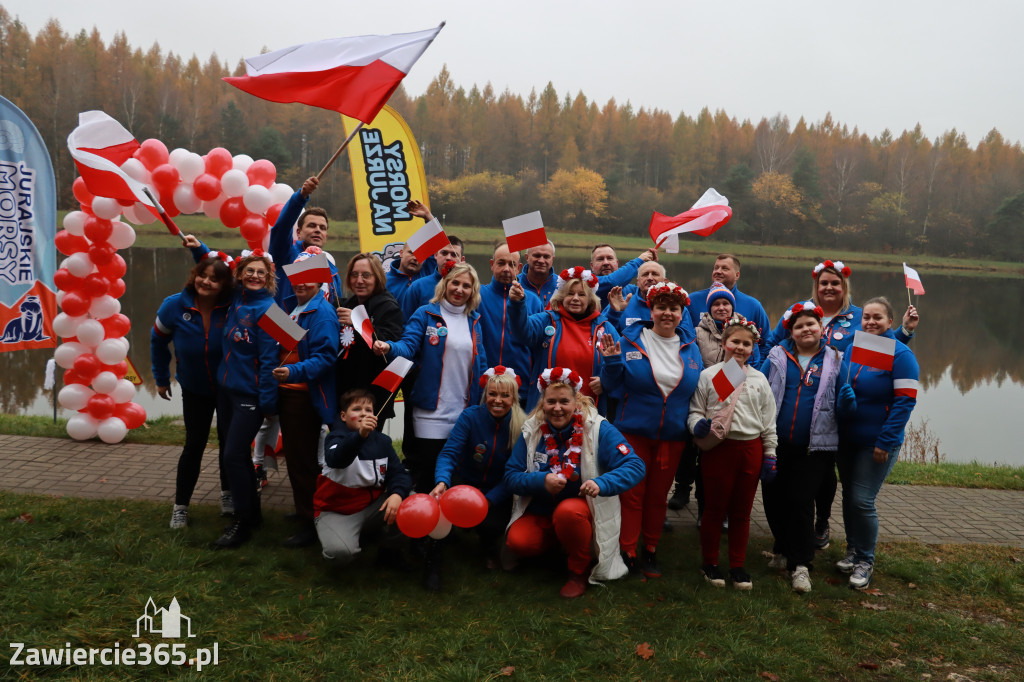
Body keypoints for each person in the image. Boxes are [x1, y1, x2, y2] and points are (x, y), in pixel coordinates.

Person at [763, 259, 919, 550]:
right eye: (824, 283)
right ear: (816, 285)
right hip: (805, 411)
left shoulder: (861, 317)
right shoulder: (799, 311)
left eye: (835, 283)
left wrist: (905, 334)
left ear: (844, 285)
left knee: (829, 479)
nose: (829, 287)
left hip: (842, 415)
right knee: (815, 474)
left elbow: (885, 353)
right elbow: (774, 343)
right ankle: (801, 534)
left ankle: (822, 523)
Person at [504, 367, 645, 598]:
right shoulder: (533, 429)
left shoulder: (597, 428)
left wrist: (602, 483)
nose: (557, 408)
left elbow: (635, 465)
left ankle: (578, 571)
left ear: (576, 401)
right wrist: (541, 481)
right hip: (541, 510)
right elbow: (511, 475)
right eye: (551, 401)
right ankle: (559, 549)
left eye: (564, 401)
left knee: (568, 512)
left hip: (579, 511)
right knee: (519, 542)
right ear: (542, 403)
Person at [599, 282, 703, 577]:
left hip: (672, 437)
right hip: (633, 432)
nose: (667, 313)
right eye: (661, 307)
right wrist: (609, 362)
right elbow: (610, 385)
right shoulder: (631, 340)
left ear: (682, 313)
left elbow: (697, 389)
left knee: (658, 496)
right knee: (632, 494)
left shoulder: (691, 346)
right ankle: (628, 551)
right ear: (651, 309)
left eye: (674, 308)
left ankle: (651, 549)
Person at [182, 237, 280, 549]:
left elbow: (269, 361)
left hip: (249, 398)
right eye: (249, 271)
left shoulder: (271, 310)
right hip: (226, 392)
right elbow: (216, 264)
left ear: (269, 278)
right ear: (239, 276)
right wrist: (197, 249)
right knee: (233, 455)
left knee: (234, 455)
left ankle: (243, 522)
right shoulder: (237, 297)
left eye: (260, 273)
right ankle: (253, 514)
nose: (254, 276)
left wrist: (267, 402)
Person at [373, 262, 488, 493]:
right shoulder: (425, 313)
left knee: (454, 474)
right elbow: (408, 345)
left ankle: (448, 524)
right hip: (430, 412)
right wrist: (389, 347)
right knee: (427, 474)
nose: (459, 289)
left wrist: (489, 383)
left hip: (463, 412)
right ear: (445, 283)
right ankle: (420, 525)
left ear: (473, 291)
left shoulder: (473, 320)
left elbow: (481, 361)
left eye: (467, 285)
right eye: (455, 282)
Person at [835, 296, 919, 590]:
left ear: (889, 322)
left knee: (862, 500)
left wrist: (886, 440)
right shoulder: (855, 347)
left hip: (878, 442)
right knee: (848, 496)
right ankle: (852, 549)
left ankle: (865, 560)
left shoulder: (902, 356)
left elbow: (905, 403)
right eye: (866, 317)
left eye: (877, 318)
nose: (870, 322)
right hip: (847, 439)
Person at [688, 314, 777, 589]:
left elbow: (768, 420)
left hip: (750, 449)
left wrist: (770, 454)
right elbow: (695, 411)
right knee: (714, 508)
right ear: (724, 342)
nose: (740, 347)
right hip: (718, 449)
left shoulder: (760, 379)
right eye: (735, 341)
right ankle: (710, 563)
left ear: (753, 348)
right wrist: (696, 426)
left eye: (746, 344)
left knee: (742, 511)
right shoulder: (708, 375)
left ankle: (737, 565)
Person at [759, 302, 842, 594]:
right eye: (799, 326)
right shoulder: (776, 357)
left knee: (801, 504)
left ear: (822, 328)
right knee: (773, 500)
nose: (806, 329)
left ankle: (801, 565)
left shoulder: (836, 359)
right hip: (775, 444)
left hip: (815, 448)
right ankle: (781, 549)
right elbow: (756, 383)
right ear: (790, 332)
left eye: (811, 324)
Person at [152, 252, 234, 529]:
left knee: (229, 445)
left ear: (224, 284)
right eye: (203, 275)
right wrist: (161, 377)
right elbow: (158, 342)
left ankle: (228, 496)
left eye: (215, 279)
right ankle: (180, 508)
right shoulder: (174, 305)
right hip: (194, 388)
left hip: (229, 389)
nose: (206, 282)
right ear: (194, 275)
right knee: (194, 446)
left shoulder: (234, 304)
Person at [427, 367, 527, 589]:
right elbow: (449, 453)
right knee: (440, 509)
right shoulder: (470, 416)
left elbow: (514, 473)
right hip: (465, 481)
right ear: (485, 395)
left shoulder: (522, 425)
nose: (497, 400)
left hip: (496, 490)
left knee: (492, 523)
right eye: (492, 394)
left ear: (514, 398)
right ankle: (434, 561)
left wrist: (488, 500)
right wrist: (442, 481)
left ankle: (488, 545)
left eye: (505, 395)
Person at [272, 247, 341, 547]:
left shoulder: (322, 313)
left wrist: (294, 372)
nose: (301, 283)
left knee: (302, 462)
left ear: (319, 281)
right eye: (296, 277)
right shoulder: (294, 307)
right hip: (289, 394)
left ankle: (310, 524)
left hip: (303, 398)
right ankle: (306, 511)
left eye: (308, 278)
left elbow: (327, 358)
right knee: (298, 460)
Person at [313, 389, 412, 565]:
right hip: (338, 510)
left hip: (372, 506)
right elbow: (337, 459)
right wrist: (359, 436)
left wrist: (397, 494)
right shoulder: (334, 438)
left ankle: (388, 551)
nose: (363, 414)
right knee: (339, 554)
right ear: (343, 416)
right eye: (357, 409)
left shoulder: (383, 441)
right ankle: (344, 533)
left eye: (368, 410)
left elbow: (398, 473)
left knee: (412, 501)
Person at [519, 267, 620, 412]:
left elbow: (618, 371)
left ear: (590, 299)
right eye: (570, 294)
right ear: (561, 297)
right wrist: (517, 305)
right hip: (547, 411)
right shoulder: (546, 320)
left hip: (588, 413)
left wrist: (605, 381)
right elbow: (521, 331)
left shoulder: (605, 327)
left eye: (582, 294)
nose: (575, 298)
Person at [335, 252, 405, 425]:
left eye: (366, 275)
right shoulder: (346, 304)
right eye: (354, 275)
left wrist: (358, 322)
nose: (359, 280)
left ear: (377, 277)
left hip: (373, 395)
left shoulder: (388, 306)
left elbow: (386, 347)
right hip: (346, 390)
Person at [267, 176, 343, 305]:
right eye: (312, 226)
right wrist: (301, 197)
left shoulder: (332, 271)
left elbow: (336, 305)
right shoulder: (286, 255)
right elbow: (282, 227)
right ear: (298, 232)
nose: (318, 230)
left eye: (322, 228)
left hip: (317, 325)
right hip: (285, 324)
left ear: (326, 236)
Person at [477, 243, 543, 384]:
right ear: (492, 264)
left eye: (511, 264)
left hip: (521, 383)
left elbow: (538, 345)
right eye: (501, 263)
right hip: (484, 382)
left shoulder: (533, 301)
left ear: (519, 268)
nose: (506, 269)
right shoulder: (477, 296)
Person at [687, 254, 772, 358]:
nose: (718, 271)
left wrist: (757, 368)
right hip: (703, 371)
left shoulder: (753, 305)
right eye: (716, 268)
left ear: (737, 275)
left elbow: (766, 343)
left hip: (740, 371)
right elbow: (684, 338)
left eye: (725, 268)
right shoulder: (693, 300)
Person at [605, 260, 695, 340]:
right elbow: (604, 335)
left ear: (665, 281)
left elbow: (688, 341)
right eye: (645, 274)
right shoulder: (622, 303)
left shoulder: (676, 308)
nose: (650, 278)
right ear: (638, 282)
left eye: (655, 274)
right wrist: (614, 313)